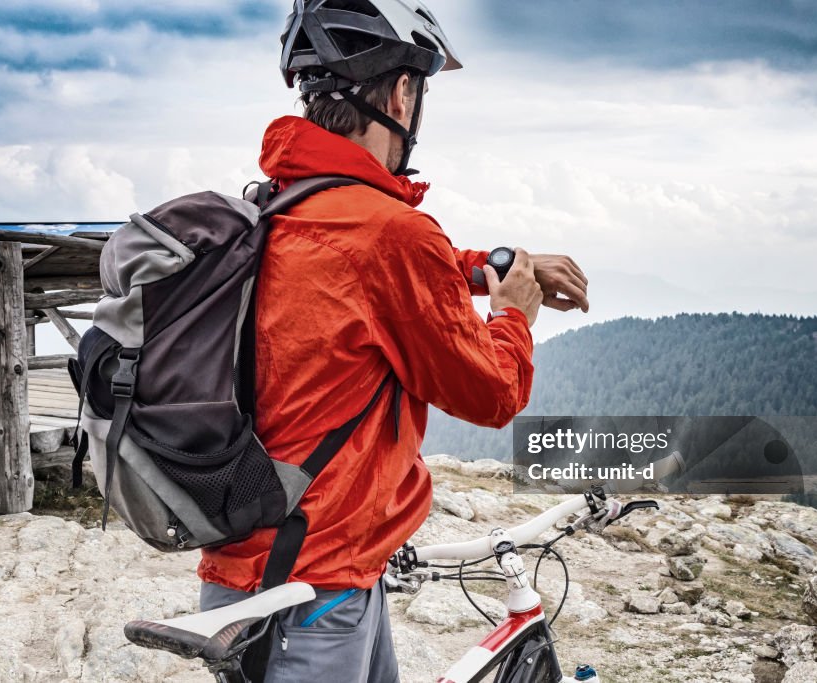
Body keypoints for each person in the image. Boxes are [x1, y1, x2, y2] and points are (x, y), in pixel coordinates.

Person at [196, 1, 589, 681]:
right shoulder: (389, 235)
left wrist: (493, 262)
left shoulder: (274, 206)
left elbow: (380, 279)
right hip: (311, 592)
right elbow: (494, 392)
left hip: (265, 568)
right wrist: (514, 313)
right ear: (403, 92)